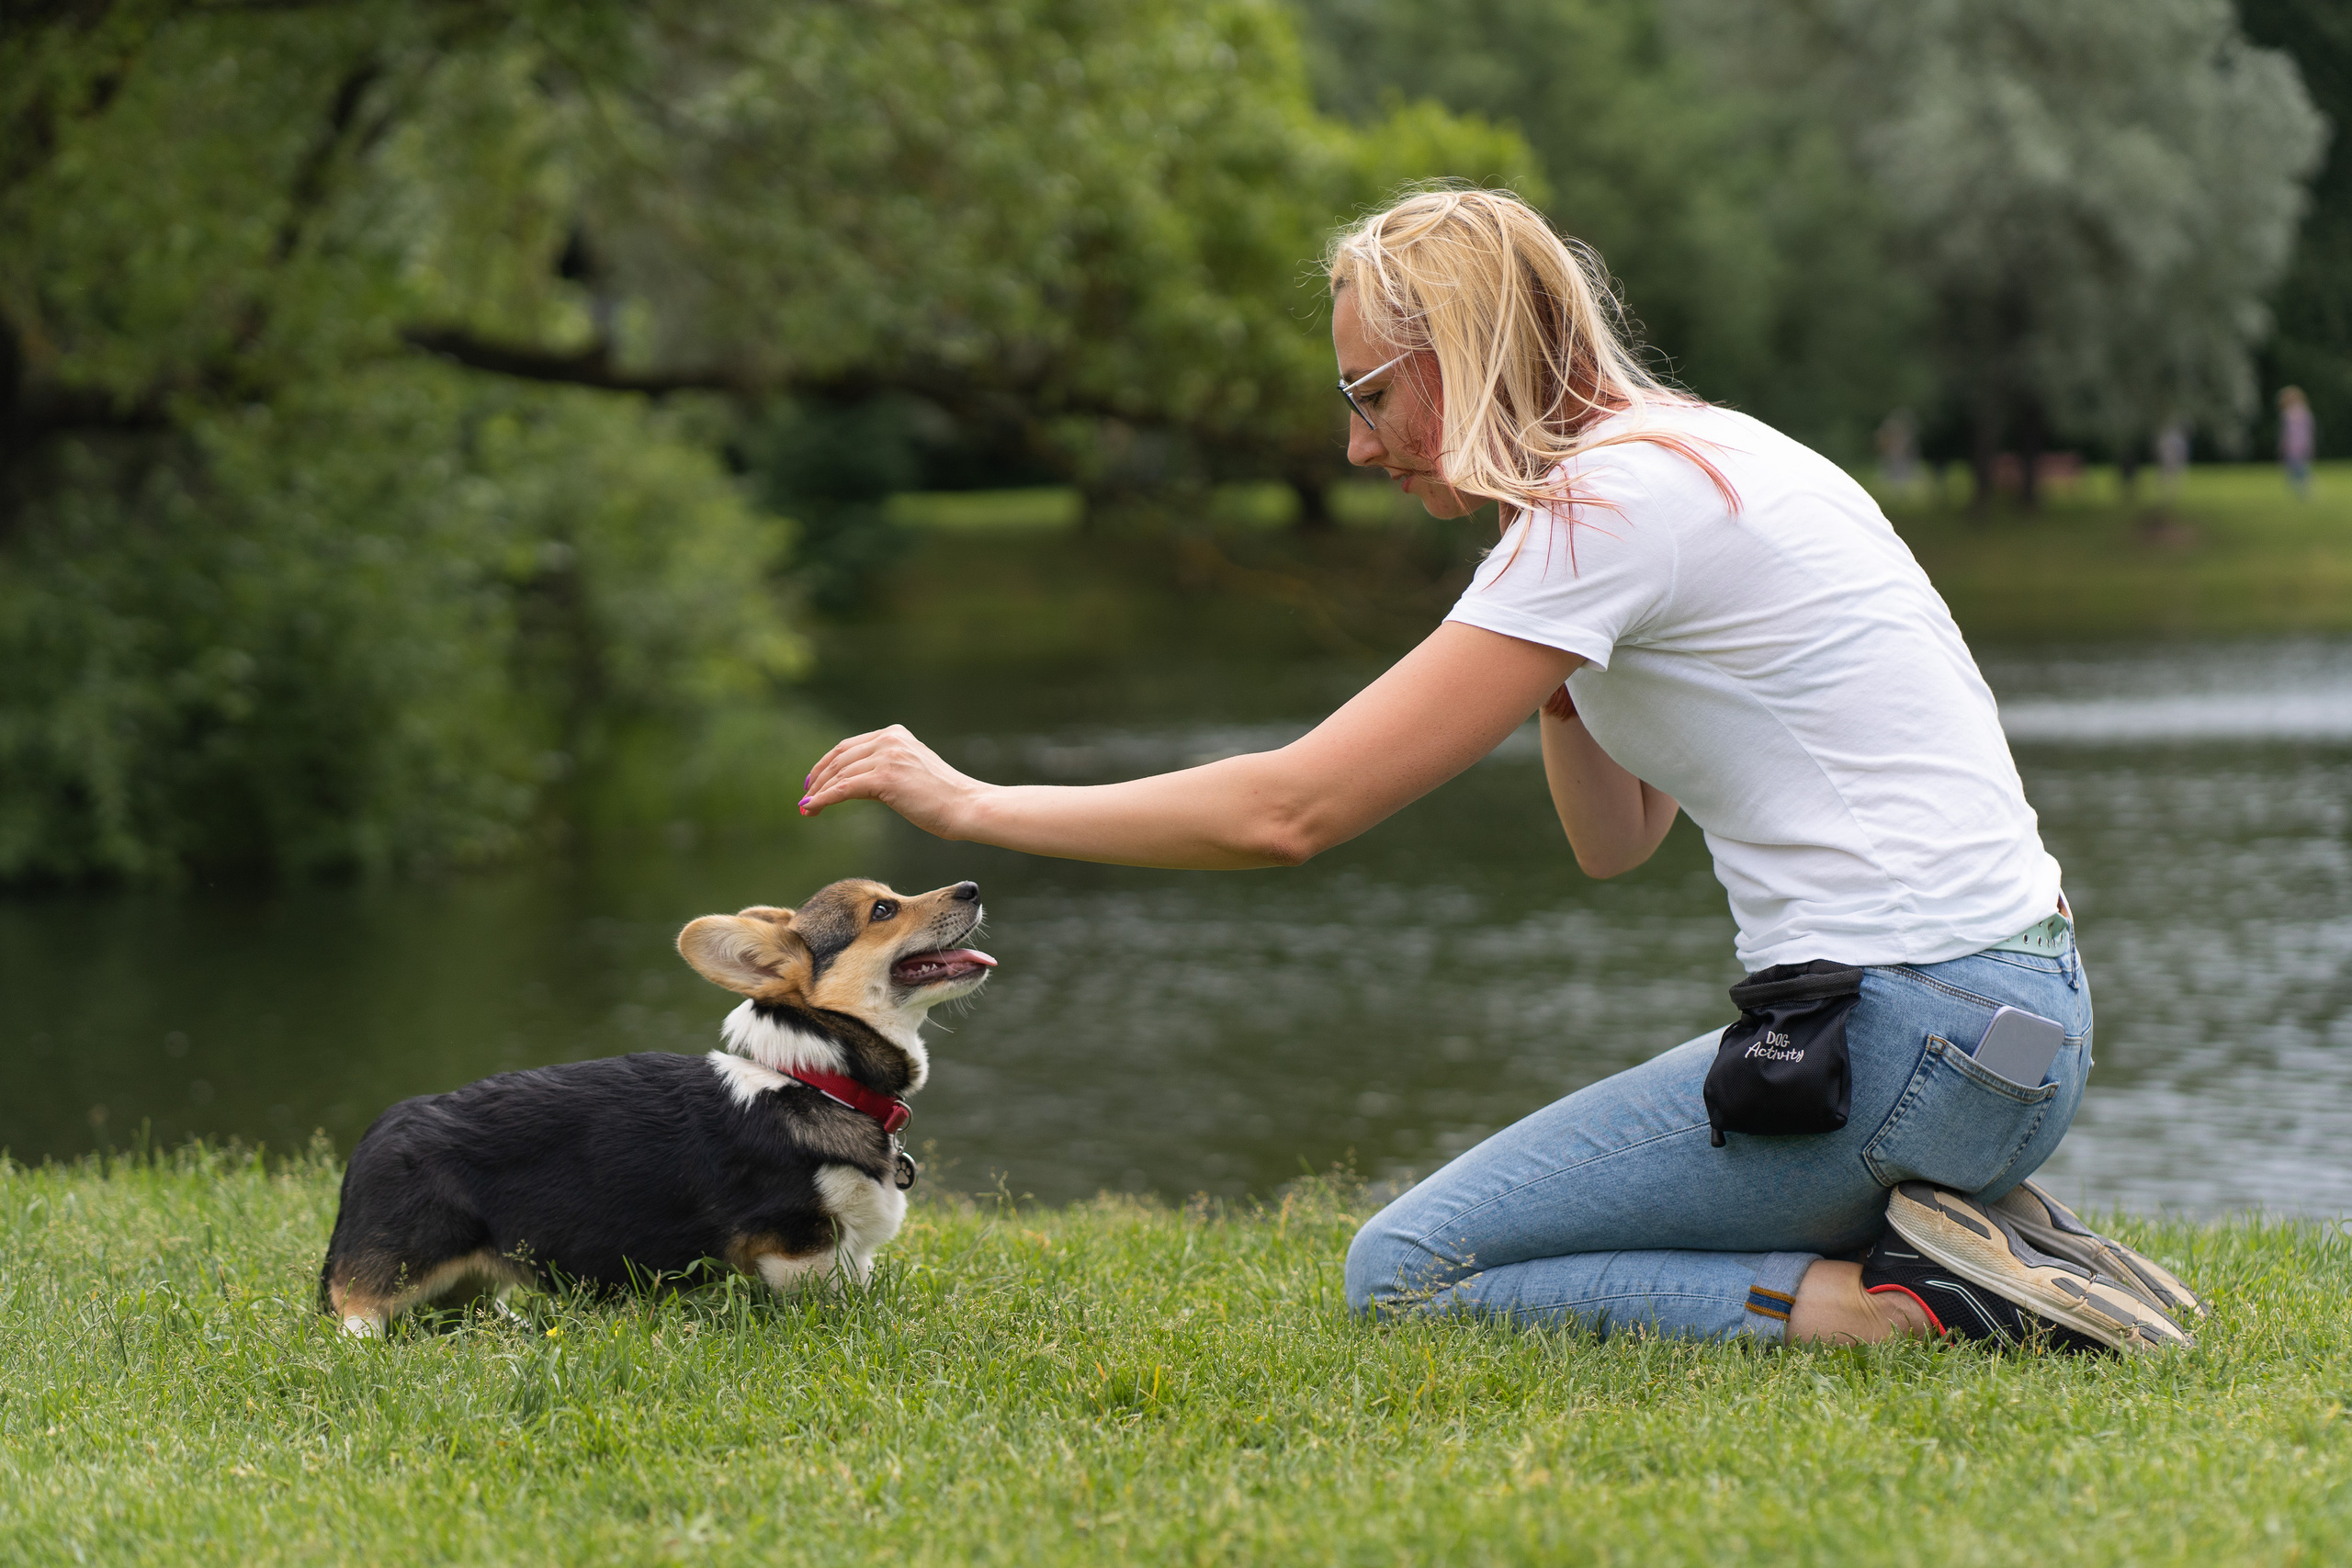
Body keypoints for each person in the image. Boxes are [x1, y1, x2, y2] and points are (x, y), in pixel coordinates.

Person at [800, 188, 2195, 1351]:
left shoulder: (1615, 499)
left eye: (1370, 391)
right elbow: (1613, 843)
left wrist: (974, 803)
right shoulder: (1707, 458)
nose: (1356, 440)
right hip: (2012, 1029)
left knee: (1406, 1269)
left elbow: (1294, 810)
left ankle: (1920, 1304)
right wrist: (1557, 658)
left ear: (1458, 350)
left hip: (1897, 1040)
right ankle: (1993, 1230)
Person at [2279, 386, 2316, 499]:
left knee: (2297, 468)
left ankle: (2304, 490)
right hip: (2301, 444)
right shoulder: (2304, 412)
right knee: (2299, 468)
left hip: (2295, 445)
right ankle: (2303, 490)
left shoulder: (2291, 414)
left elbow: (2289, 432)